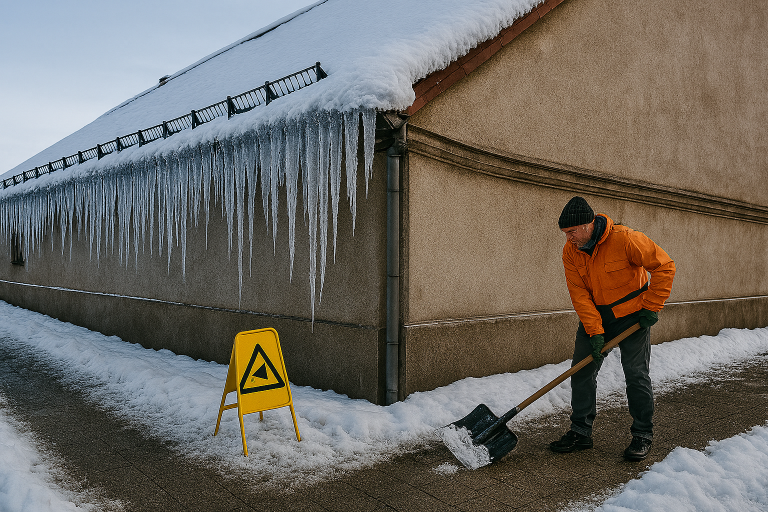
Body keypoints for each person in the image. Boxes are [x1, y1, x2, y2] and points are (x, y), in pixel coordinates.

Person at [550, 196, 675, 461]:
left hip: (633, 316)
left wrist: (652, 306)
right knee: (582, 371)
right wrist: (594, 330)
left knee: (636, 374)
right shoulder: (570, 251)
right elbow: (579, 294)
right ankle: (580, 431)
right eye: (565, 233)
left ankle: (643, 434)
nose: (568, 238)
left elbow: (664, 266)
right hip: (596, 315)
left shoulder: (625, 238)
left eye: (571, 232)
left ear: (588, 225)